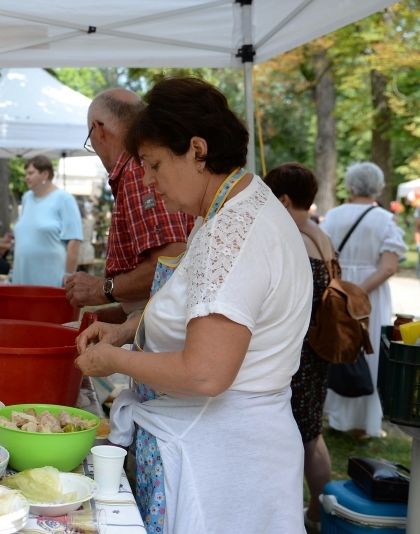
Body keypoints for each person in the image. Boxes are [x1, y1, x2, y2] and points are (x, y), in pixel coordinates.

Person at [74, 77, 312, 533]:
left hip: (218, 464)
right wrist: (127, 330)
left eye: (155, 164)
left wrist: (113, 359)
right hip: (219, 448)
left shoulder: (234, 234)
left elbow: (206, 372)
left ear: (198, 150)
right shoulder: (229, 208)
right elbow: (195, 307)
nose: (147, 180)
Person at [65, 88, 194, 323]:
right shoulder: (143, 164)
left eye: (89, 139)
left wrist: (100, 290)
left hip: (170, 325)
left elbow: (169, 261)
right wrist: (119, 315)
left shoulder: (136, 168)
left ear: (99, 129)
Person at [264, 163, 334, 530]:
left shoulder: (294, 236)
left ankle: (317, 512)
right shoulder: (319, 235)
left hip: (300, 351)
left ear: (284, 199)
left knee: (302, 437)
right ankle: (320, 511)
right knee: (312, 433)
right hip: (318, 348)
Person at [321, 162, 406, 439]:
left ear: (352, 186)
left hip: (338, 290)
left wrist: (344, 290)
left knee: (339, 347)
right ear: (378, 187)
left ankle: (337, 417)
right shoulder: (385, 219)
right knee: (369, 353)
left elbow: (323, 258)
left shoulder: (333, 216)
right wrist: (358, 291)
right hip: (370, 294)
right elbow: (388, 267)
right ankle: (364, 423)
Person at [12, 155, 82, 287]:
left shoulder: (64, 198)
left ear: (45, 174)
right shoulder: (27, 198)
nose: (26, 177)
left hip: (50, 275)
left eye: (31, 173)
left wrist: (68, 275)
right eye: (26, 173)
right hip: (23, 272)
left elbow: (74, 239)